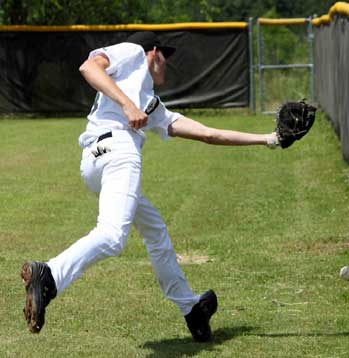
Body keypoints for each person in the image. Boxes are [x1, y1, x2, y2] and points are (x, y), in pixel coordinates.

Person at [21, 31, 280, 341]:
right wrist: (129, 106)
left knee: (154, 230)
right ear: (154, 52)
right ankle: (48, 274)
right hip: (118, 151)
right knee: (113, 236)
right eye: (165, 58)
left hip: (94, 160)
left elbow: (209, 134)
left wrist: (270, 139)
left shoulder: (152, 105)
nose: (166, 67)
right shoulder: (132, 52)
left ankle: (191, 309)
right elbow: (89, 68)